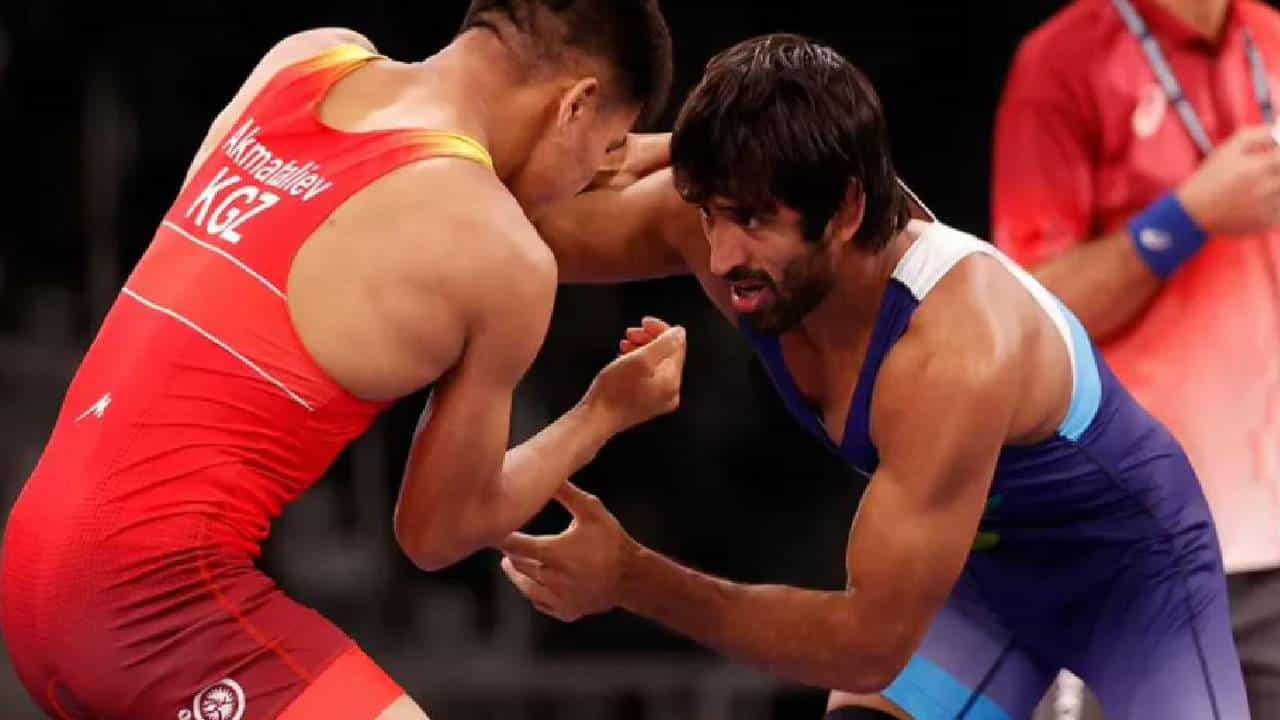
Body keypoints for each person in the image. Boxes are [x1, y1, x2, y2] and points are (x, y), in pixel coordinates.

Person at [499, 34, 1249, 719]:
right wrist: (590, 143)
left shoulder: (957, 347)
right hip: (975, 578)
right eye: (708, 214)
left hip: (1133, 585)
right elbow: (511, 231)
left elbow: (865, 647)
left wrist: (631, 577)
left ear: (848, 210)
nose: (721, 257)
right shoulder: (733, 219)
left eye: (752, 220)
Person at [0, 2, 679, 718]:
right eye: (607, 145)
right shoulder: (504, 257)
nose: (600, 169)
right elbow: (438, 532)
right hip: (147, 603)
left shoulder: (305, 61)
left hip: (32, 568)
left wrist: (639, 148)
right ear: (576, 105)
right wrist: (605, 411)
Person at [992, 1, 1280, 716]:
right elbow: (1028, 316)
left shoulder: (1272, 38)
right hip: (1140, 551)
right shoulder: (1063, 60)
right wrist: (1185, 219)